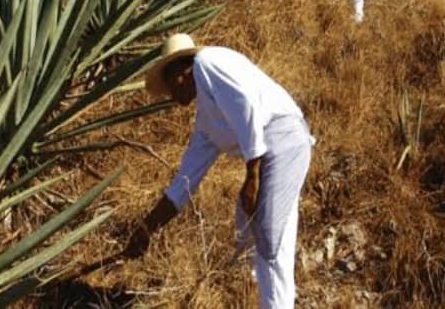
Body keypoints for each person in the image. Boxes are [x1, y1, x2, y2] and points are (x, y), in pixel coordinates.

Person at [126, 33, 315, 309]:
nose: (169, 97)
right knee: (259, 233)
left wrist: (252, 175)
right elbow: (184, 183)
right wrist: (146, 229)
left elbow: (245, 105)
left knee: (270, 235)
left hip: (284, 140)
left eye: (169, 87)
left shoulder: (206, 63)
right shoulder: (206, 124)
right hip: (271, 152)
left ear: (182, 72)